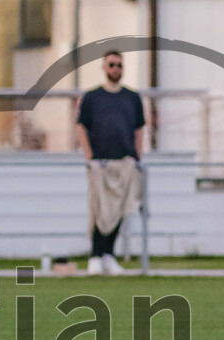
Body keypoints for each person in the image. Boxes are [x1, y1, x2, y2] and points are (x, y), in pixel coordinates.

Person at [75, 51, 145, 276]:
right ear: (104, 67)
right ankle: (95, 256)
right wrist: (89, 157)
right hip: (100, 163)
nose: (116, 69)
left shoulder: (132, 98)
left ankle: (108, 255)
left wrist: (137, 157)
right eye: (112, 65)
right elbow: (80, 126)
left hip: (124, 162)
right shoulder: (92, 97)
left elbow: (139, 128)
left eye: (119, 65)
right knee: (99, 209)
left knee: (119, 210)